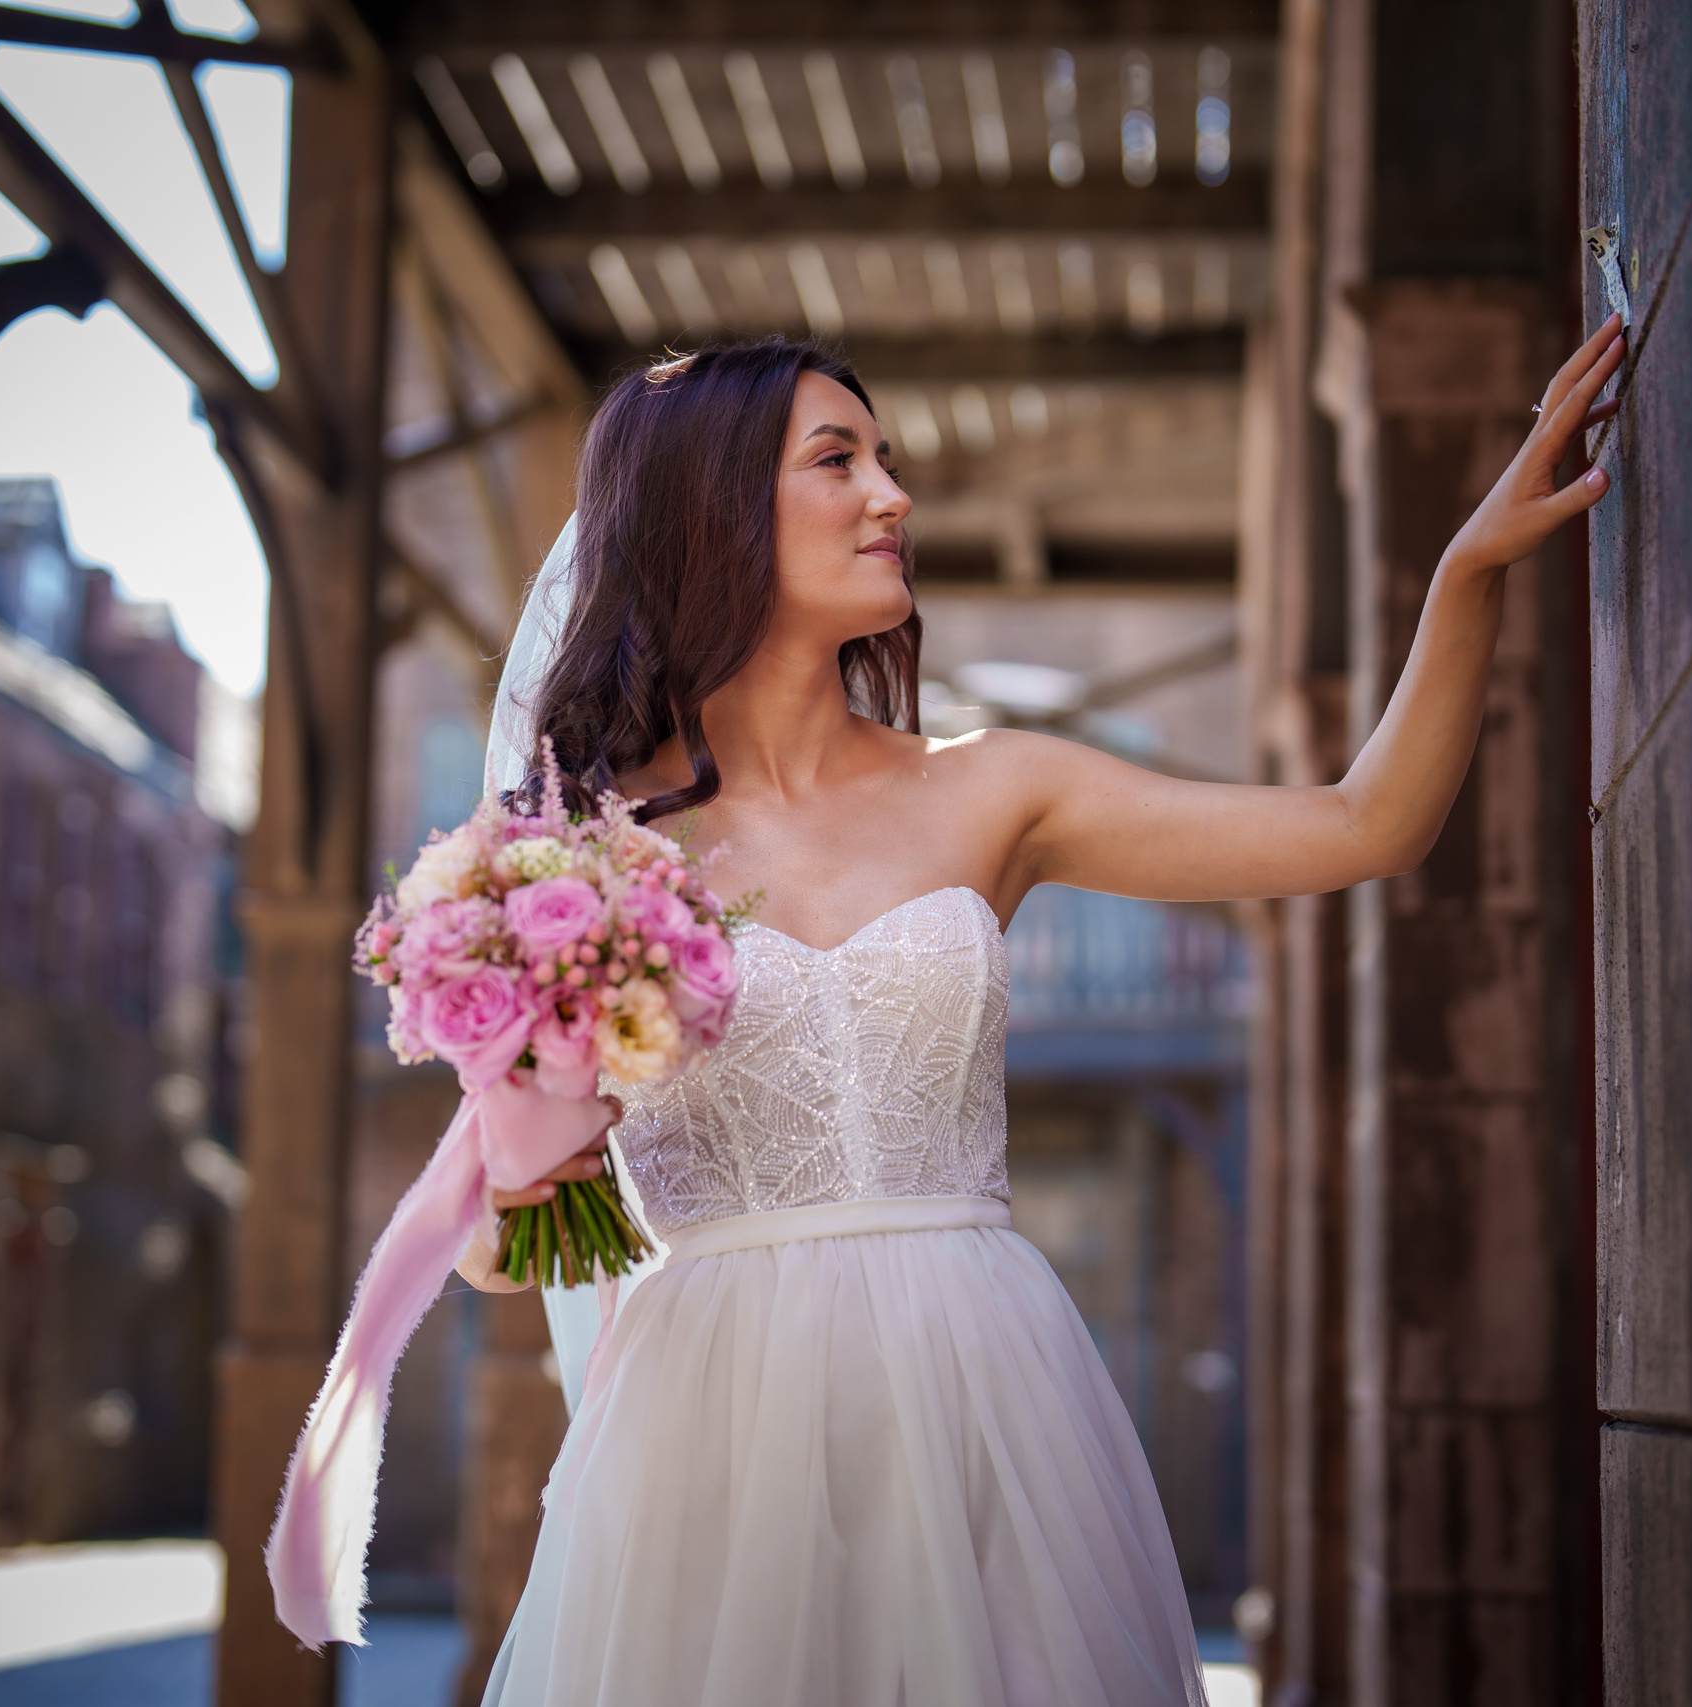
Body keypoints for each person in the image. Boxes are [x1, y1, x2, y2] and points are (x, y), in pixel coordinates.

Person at [461, 319, 1624, 1704]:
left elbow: (1365, 824)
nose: (894, 496)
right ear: (709, 509)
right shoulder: (579, 853)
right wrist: (540, 1158)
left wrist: (1465, 575)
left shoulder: (993, 789)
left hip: (984, 1394)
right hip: (706, 1435)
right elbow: (492, 1248)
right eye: (839, 460)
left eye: (886, 460)